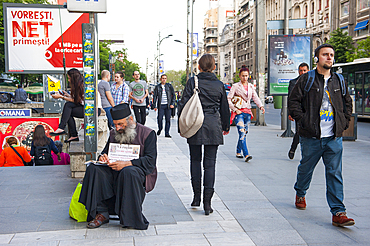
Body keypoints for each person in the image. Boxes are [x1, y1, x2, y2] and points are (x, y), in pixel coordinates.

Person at [288, 43, 355, 227]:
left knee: (334, 173)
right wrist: (304, 121)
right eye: (325, 54)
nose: (329, 58)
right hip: (311, 137)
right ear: (317, 58)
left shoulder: (339, 80)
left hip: (333, 137)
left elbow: (347, 103)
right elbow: (293, 102)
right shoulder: (306, 80)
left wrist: (344, 121)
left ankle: (338, 212)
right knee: (306, 169)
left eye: (331, 55)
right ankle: (300, 192)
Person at [79, 103, 157, 230]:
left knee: (128, 172)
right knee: (94, 169)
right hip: (114, 169)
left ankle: (129, 218)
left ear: (130, 120)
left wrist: (127, 164)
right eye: (115, 124)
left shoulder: (148, 134)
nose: (118, 127)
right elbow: (105, 151)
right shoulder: (113, 133)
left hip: (135, 171)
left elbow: (150, 161)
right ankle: (101, 213)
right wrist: (103, 157)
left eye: (121, 124)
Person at [178, 54, 230, 215]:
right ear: (214, 67)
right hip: (213, 125)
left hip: (195, 124)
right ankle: (207, 204)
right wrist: (226, 126)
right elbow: (224, 108)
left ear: (198, 67)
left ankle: (196, 198)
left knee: (195, 160)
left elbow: (183, 105)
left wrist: (181, 127)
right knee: (210, 164)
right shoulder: (219, 85)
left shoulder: (193, 82)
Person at [227, 65, 265, 162]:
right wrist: (235, 109)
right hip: (238, 113)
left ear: (249, 76)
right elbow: (228, 99)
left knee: (244, 133)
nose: (245, 78)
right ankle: (246, 154)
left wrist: (261, 106)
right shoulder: (235, 86)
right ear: (240, 76)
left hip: (247, 112)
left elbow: (255, 97)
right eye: (243, 76)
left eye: (246, 75)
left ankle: (238, 151)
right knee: (242, 133)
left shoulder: (251, 87)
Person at [50, 68, 84, 143]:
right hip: (85, 107)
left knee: (68, 106)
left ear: (73, 78)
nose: (68, 80)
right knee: (68, 112)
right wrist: (67, 95)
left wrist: (61, 97)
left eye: (69, 78)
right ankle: (73, 135)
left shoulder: (81, 86)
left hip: (91, 109)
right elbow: (78, 99)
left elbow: (76, 101)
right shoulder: (79, 84)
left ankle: (62, 128)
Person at [288, 63, 309, 160]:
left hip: (310, 111)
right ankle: (294, 149)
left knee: (308, 132)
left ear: (308, 71)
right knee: (299, 131)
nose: (303, 72)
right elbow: (291, 99)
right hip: (298, 111)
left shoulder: (312, 82)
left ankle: (305, 153)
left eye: (305, 70)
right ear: (298, 71)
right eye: (301, 70)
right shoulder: (293, 82)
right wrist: (290, 113)